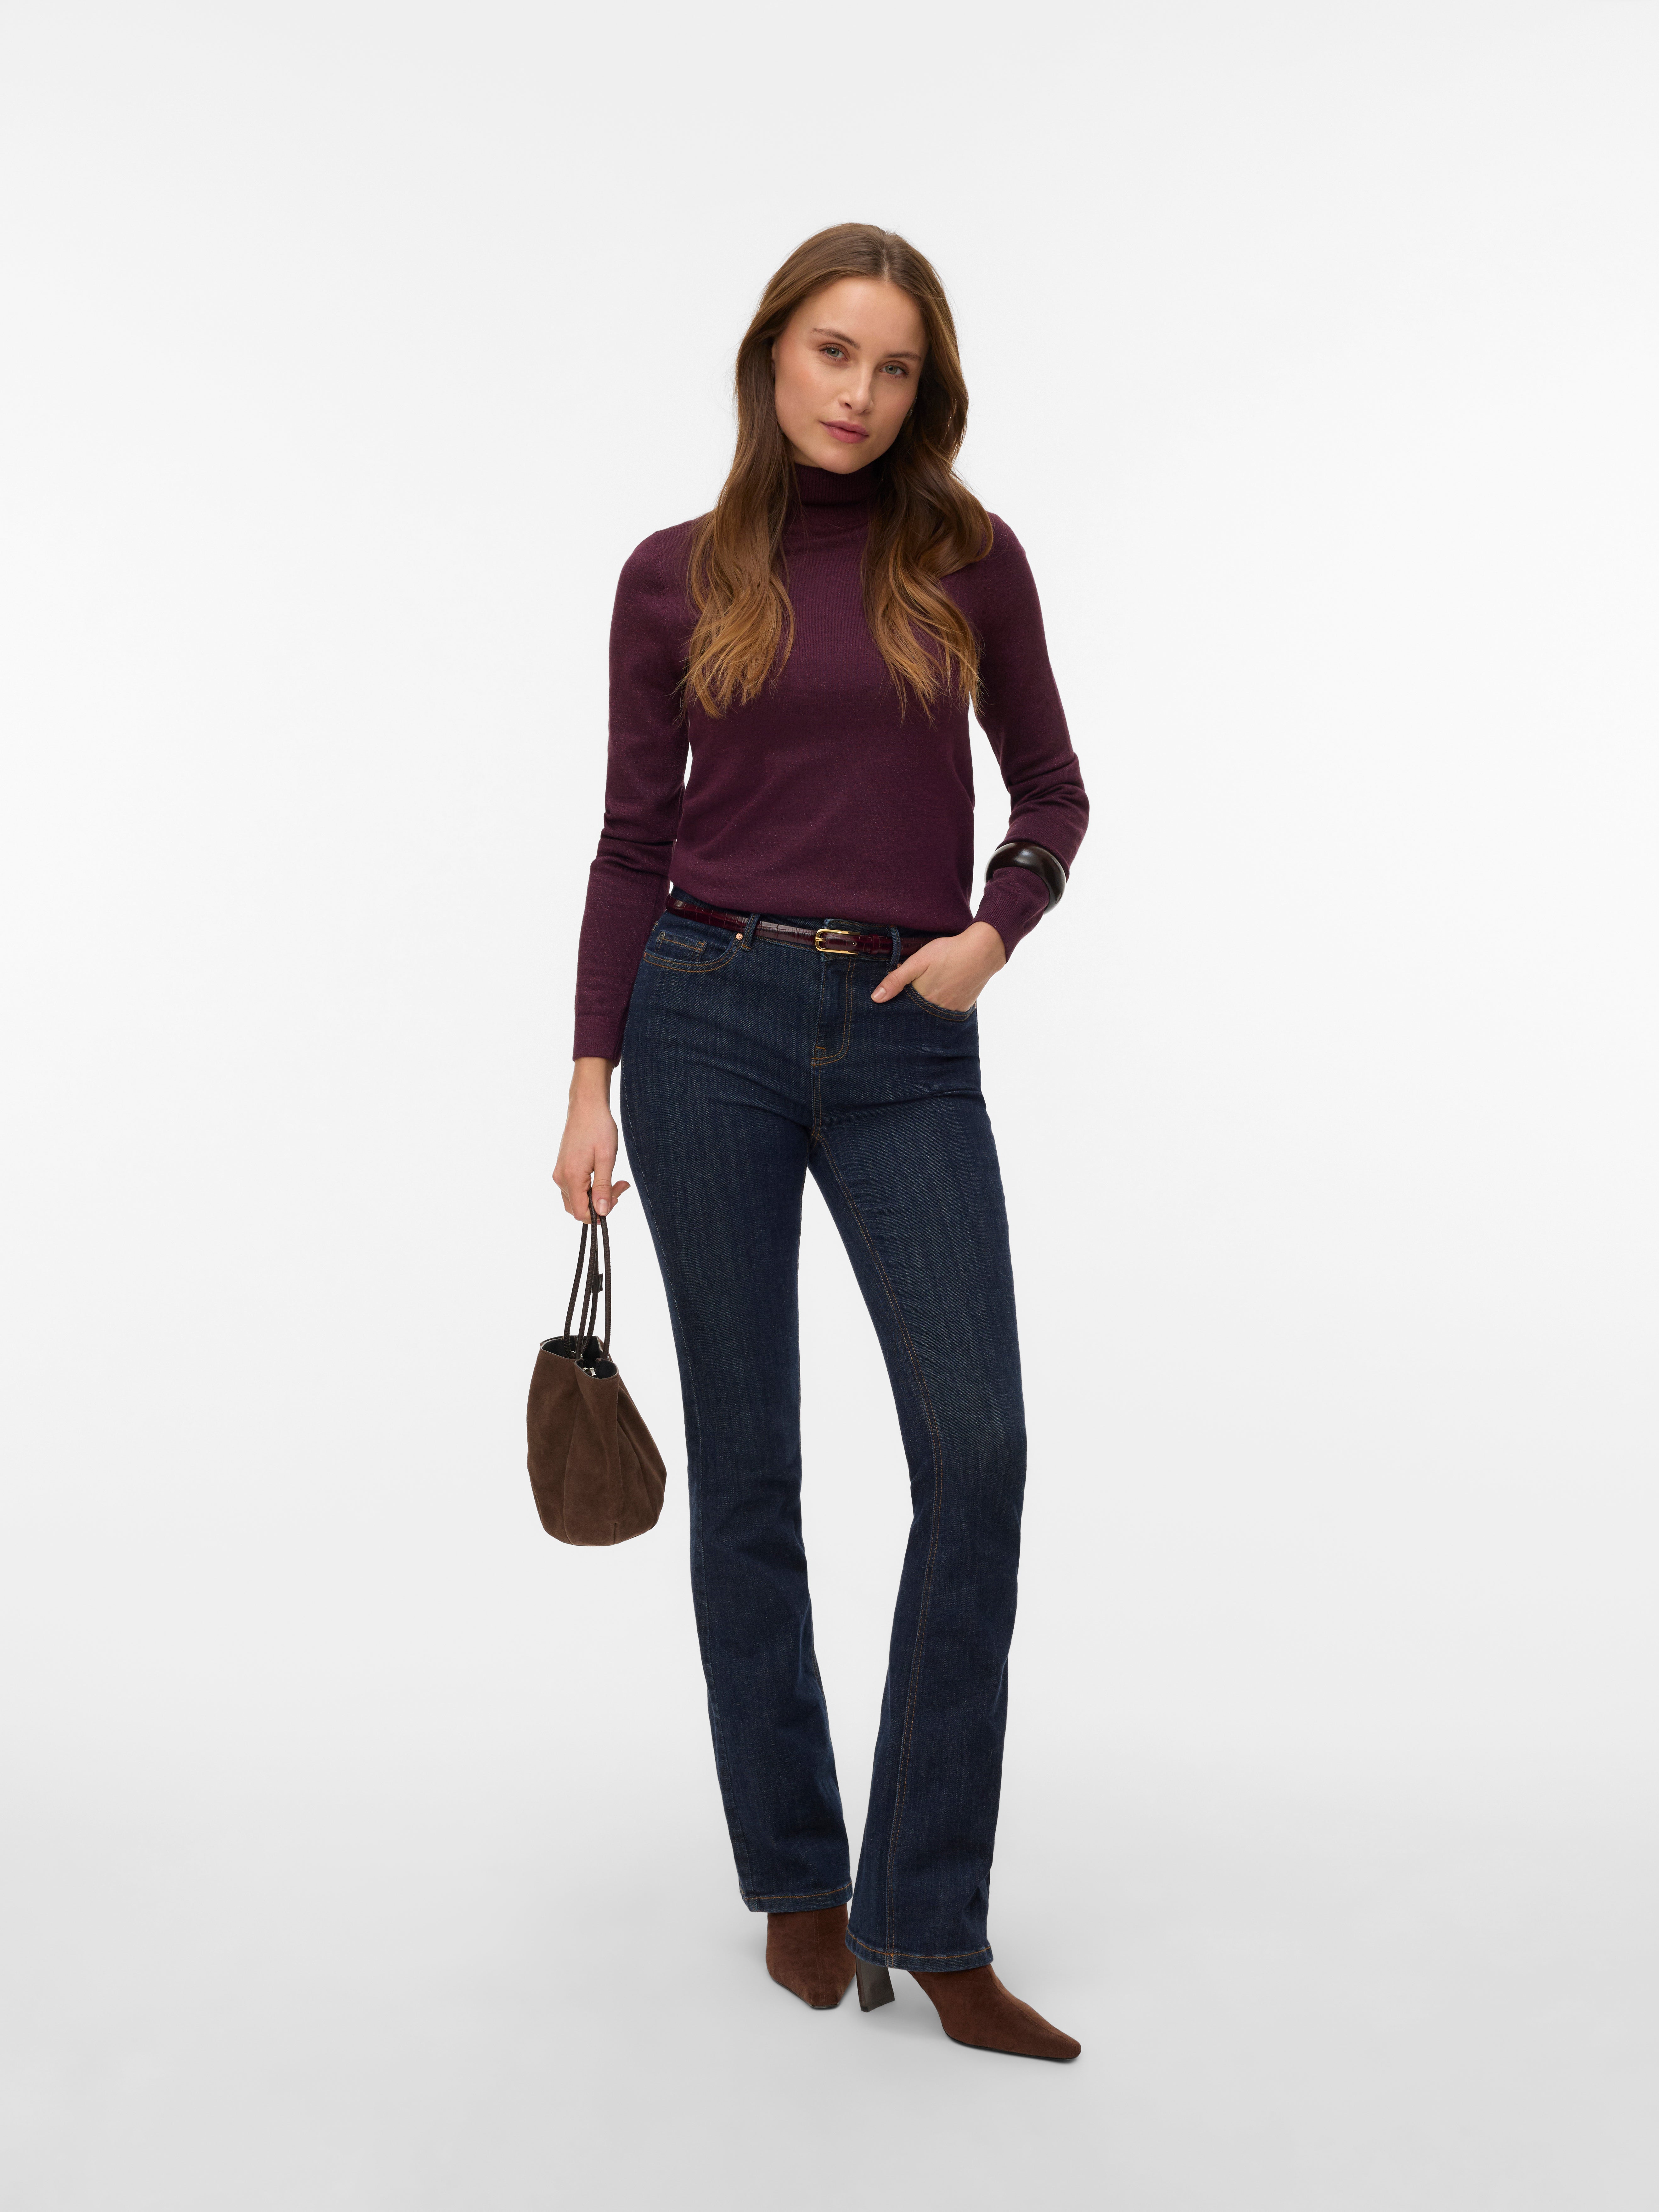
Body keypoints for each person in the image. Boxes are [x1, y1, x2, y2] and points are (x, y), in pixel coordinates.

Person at [554, 222, 1088, 2061]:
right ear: (771, 354)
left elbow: (1053, 789)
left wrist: (995, 929)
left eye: (895, 367)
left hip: (905, 1031)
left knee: (978, 1447)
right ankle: (796, 1876)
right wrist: (589, 1078)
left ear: (926, 390)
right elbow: (631, 842)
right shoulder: (675, 576)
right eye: (833, 352)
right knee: (751, 1467)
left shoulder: (968, 559)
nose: (860, 393)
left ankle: (929, 1913)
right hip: (700, 1017)